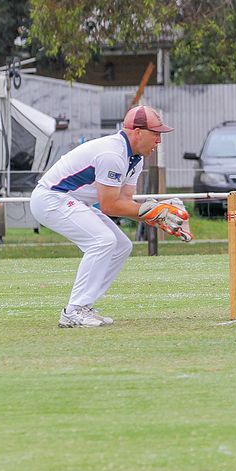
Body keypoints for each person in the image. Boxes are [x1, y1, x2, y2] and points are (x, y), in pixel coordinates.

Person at [30, 105, 187, 327]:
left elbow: (125, 201)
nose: (159, 140)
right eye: (155, 133)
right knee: (102, 241)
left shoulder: (136, 158)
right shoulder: (112, 154)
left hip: (70, 200)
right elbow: (109, 205)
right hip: (51, 198)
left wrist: (157, 217)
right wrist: (156, 211)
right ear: (137, 132)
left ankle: (84, 306)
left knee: (122, 245)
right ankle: (74, 311)